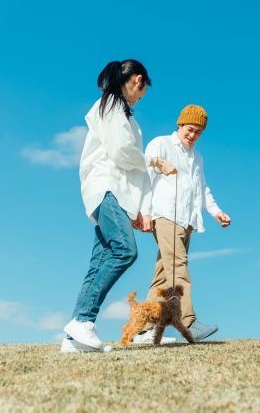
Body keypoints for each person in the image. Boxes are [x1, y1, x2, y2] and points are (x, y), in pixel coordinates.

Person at [61, 60, 177, 353]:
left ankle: (74, 339)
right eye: (144, 89)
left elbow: (128, 165)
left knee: (99, 262)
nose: (143, 96)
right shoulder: (112, 104)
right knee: (126, 250)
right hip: (106, 188)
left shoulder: (122, 112)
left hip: (113, 192)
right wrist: (155, 161)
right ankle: (83, 320)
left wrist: (138, 208)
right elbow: (123, 154)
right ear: (139, 80)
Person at [131, 104, 231, 344]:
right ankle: (189, 322)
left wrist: (216, 211)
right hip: (164, 215)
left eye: (198, 131)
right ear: (180, 124)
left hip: (187, 220)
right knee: (179, 266)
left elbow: (202, 189)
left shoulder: (197, 157)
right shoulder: (161, 144)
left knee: (164, 275)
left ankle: (142, 330)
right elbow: (145, 178)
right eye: (189, 129)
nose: (193, 134)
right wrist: (143, 213)